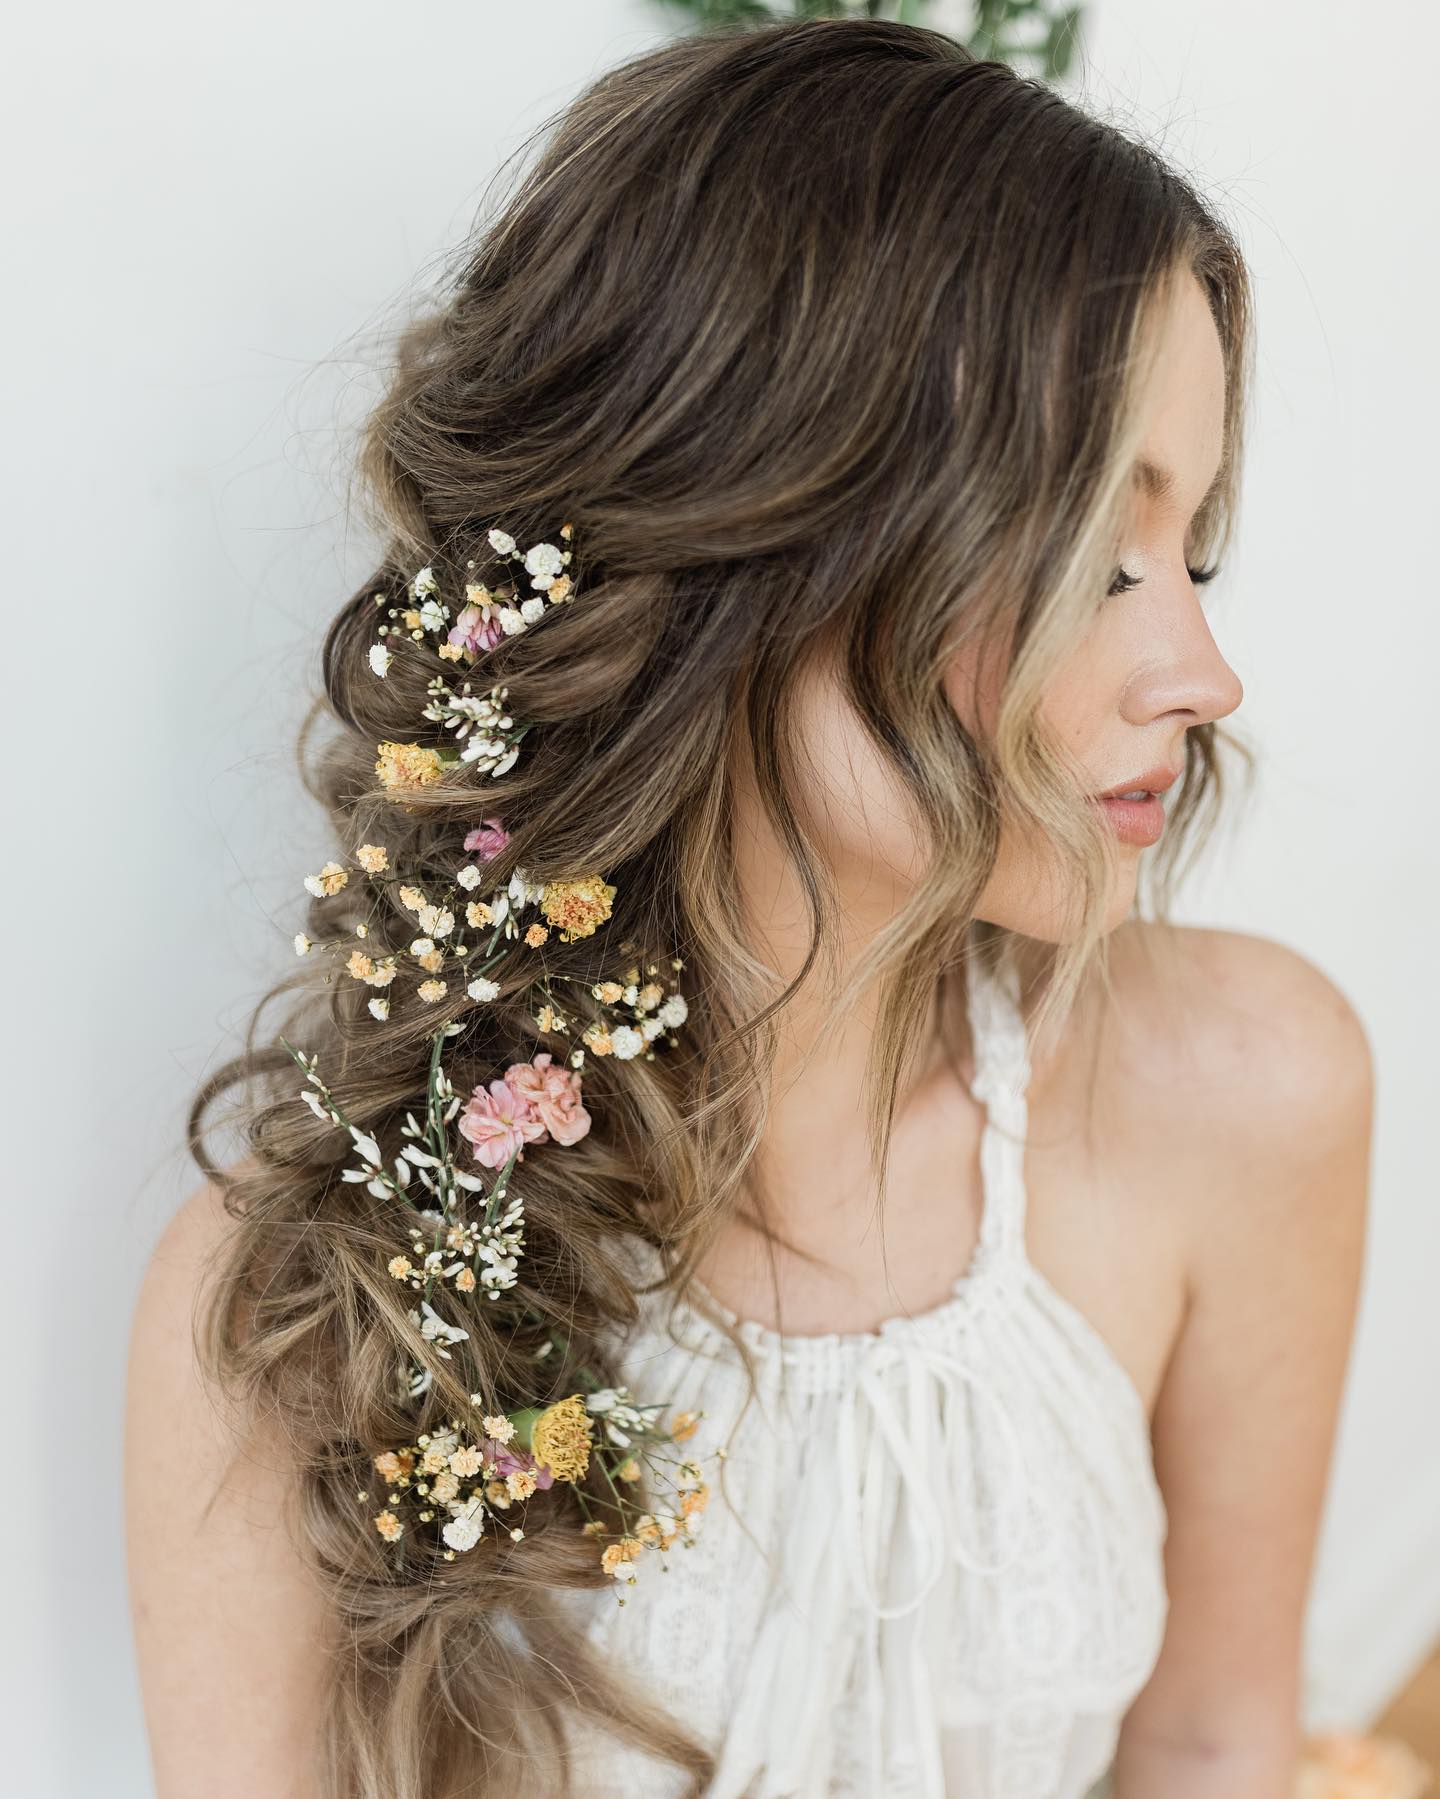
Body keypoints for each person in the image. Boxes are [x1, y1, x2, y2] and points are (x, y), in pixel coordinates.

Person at [124, 18, 1373, 1799]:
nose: (1206, 672)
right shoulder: (298, 1311)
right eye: (1103, 555)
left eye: (1200, 553)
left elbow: (1208, 1746)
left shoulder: (1247, 1098)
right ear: (756, 552)